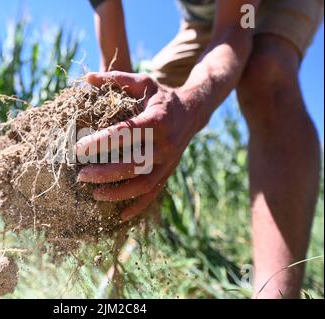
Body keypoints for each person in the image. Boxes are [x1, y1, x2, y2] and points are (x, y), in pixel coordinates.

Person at [76, 0, 323, 298]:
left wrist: (188, 107)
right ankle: (115, 269)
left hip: (249, 11)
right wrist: (118, 114)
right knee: (140, 117)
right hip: (204, 17)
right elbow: (112, 42)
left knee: (264, 73)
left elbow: (235, 30)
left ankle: (276, 292)